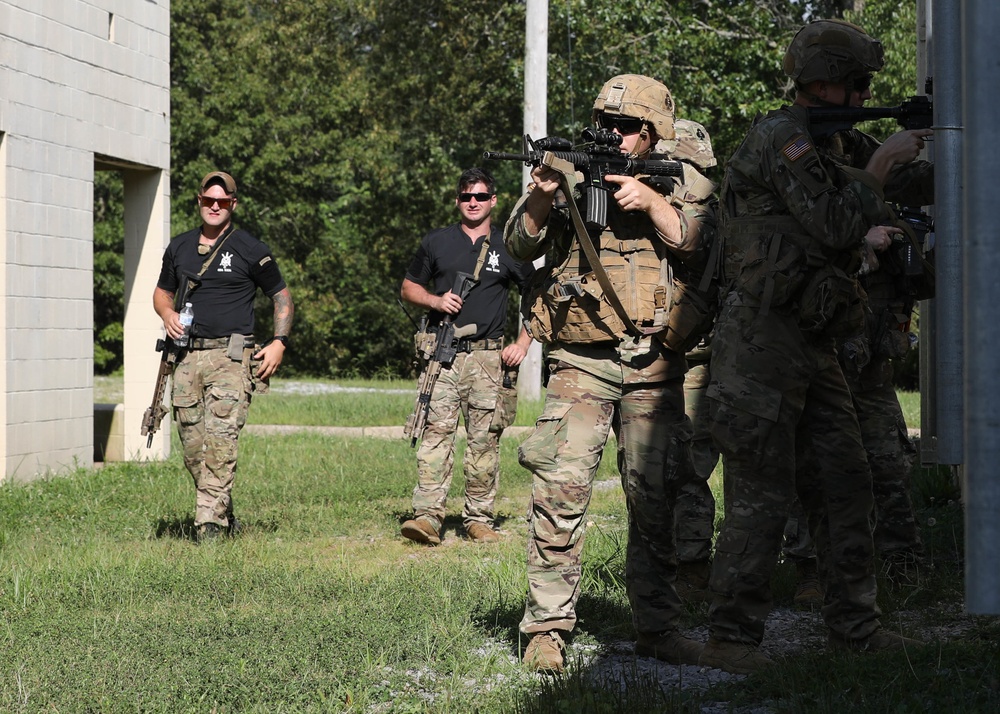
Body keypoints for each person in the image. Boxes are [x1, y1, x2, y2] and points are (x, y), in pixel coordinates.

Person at [700, 19, 932, 674]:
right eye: (857, 84)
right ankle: (732, 637)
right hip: (762, 339)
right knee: (761, 493)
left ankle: (856, 627)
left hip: (814, 339)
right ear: (824, 80)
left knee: (845, 479)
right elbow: (834, 219)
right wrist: (881, 169)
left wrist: (925, 155)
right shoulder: (783, 138)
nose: (863, 97)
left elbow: (900, 189)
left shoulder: (834, 144)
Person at [505, 75, 714, 673]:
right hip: (581, 360)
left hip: (654, 360)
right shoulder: (568, 175)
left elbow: (701, 245)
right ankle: (546, 629)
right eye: (608, 125)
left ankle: (658, 626)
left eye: (627, 128)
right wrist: (545, 193)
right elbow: (517, 245)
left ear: (654, 133)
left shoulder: (682, 179)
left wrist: (651, 203)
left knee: (657, 498)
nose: (614, 136)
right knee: (560, 491)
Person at [153, 171, 293, 542]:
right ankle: (222, 511)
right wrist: (167, 315)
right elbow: (161, 293)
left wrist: (279, 342)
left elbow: (281, 296)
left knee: (220, 441)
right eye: (209, 200)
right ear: (199, 200)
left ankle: (209, 527)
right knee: (193, 446)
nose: (215, 206)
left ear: (234, 204)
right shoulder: (179, 247)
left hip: (230, 359)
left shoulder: (251, 249)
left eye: (223, 201)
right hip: (185, 358)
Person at [399, 168, 534, 546]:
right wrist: (435, 300)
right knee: (434, 436)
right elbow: (409, 287)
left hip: (489, 362)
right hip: (442, 357)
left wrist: (522, 343)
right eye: (465, 197)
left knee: (484, 441)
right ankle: (427, 516)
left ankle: (478, 518)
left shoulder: (510, 246)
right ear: (457, 200)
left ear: (493, 200)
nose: (472, 202)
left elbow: (539, 300)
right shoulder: (437, 242)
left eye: (479, 196)